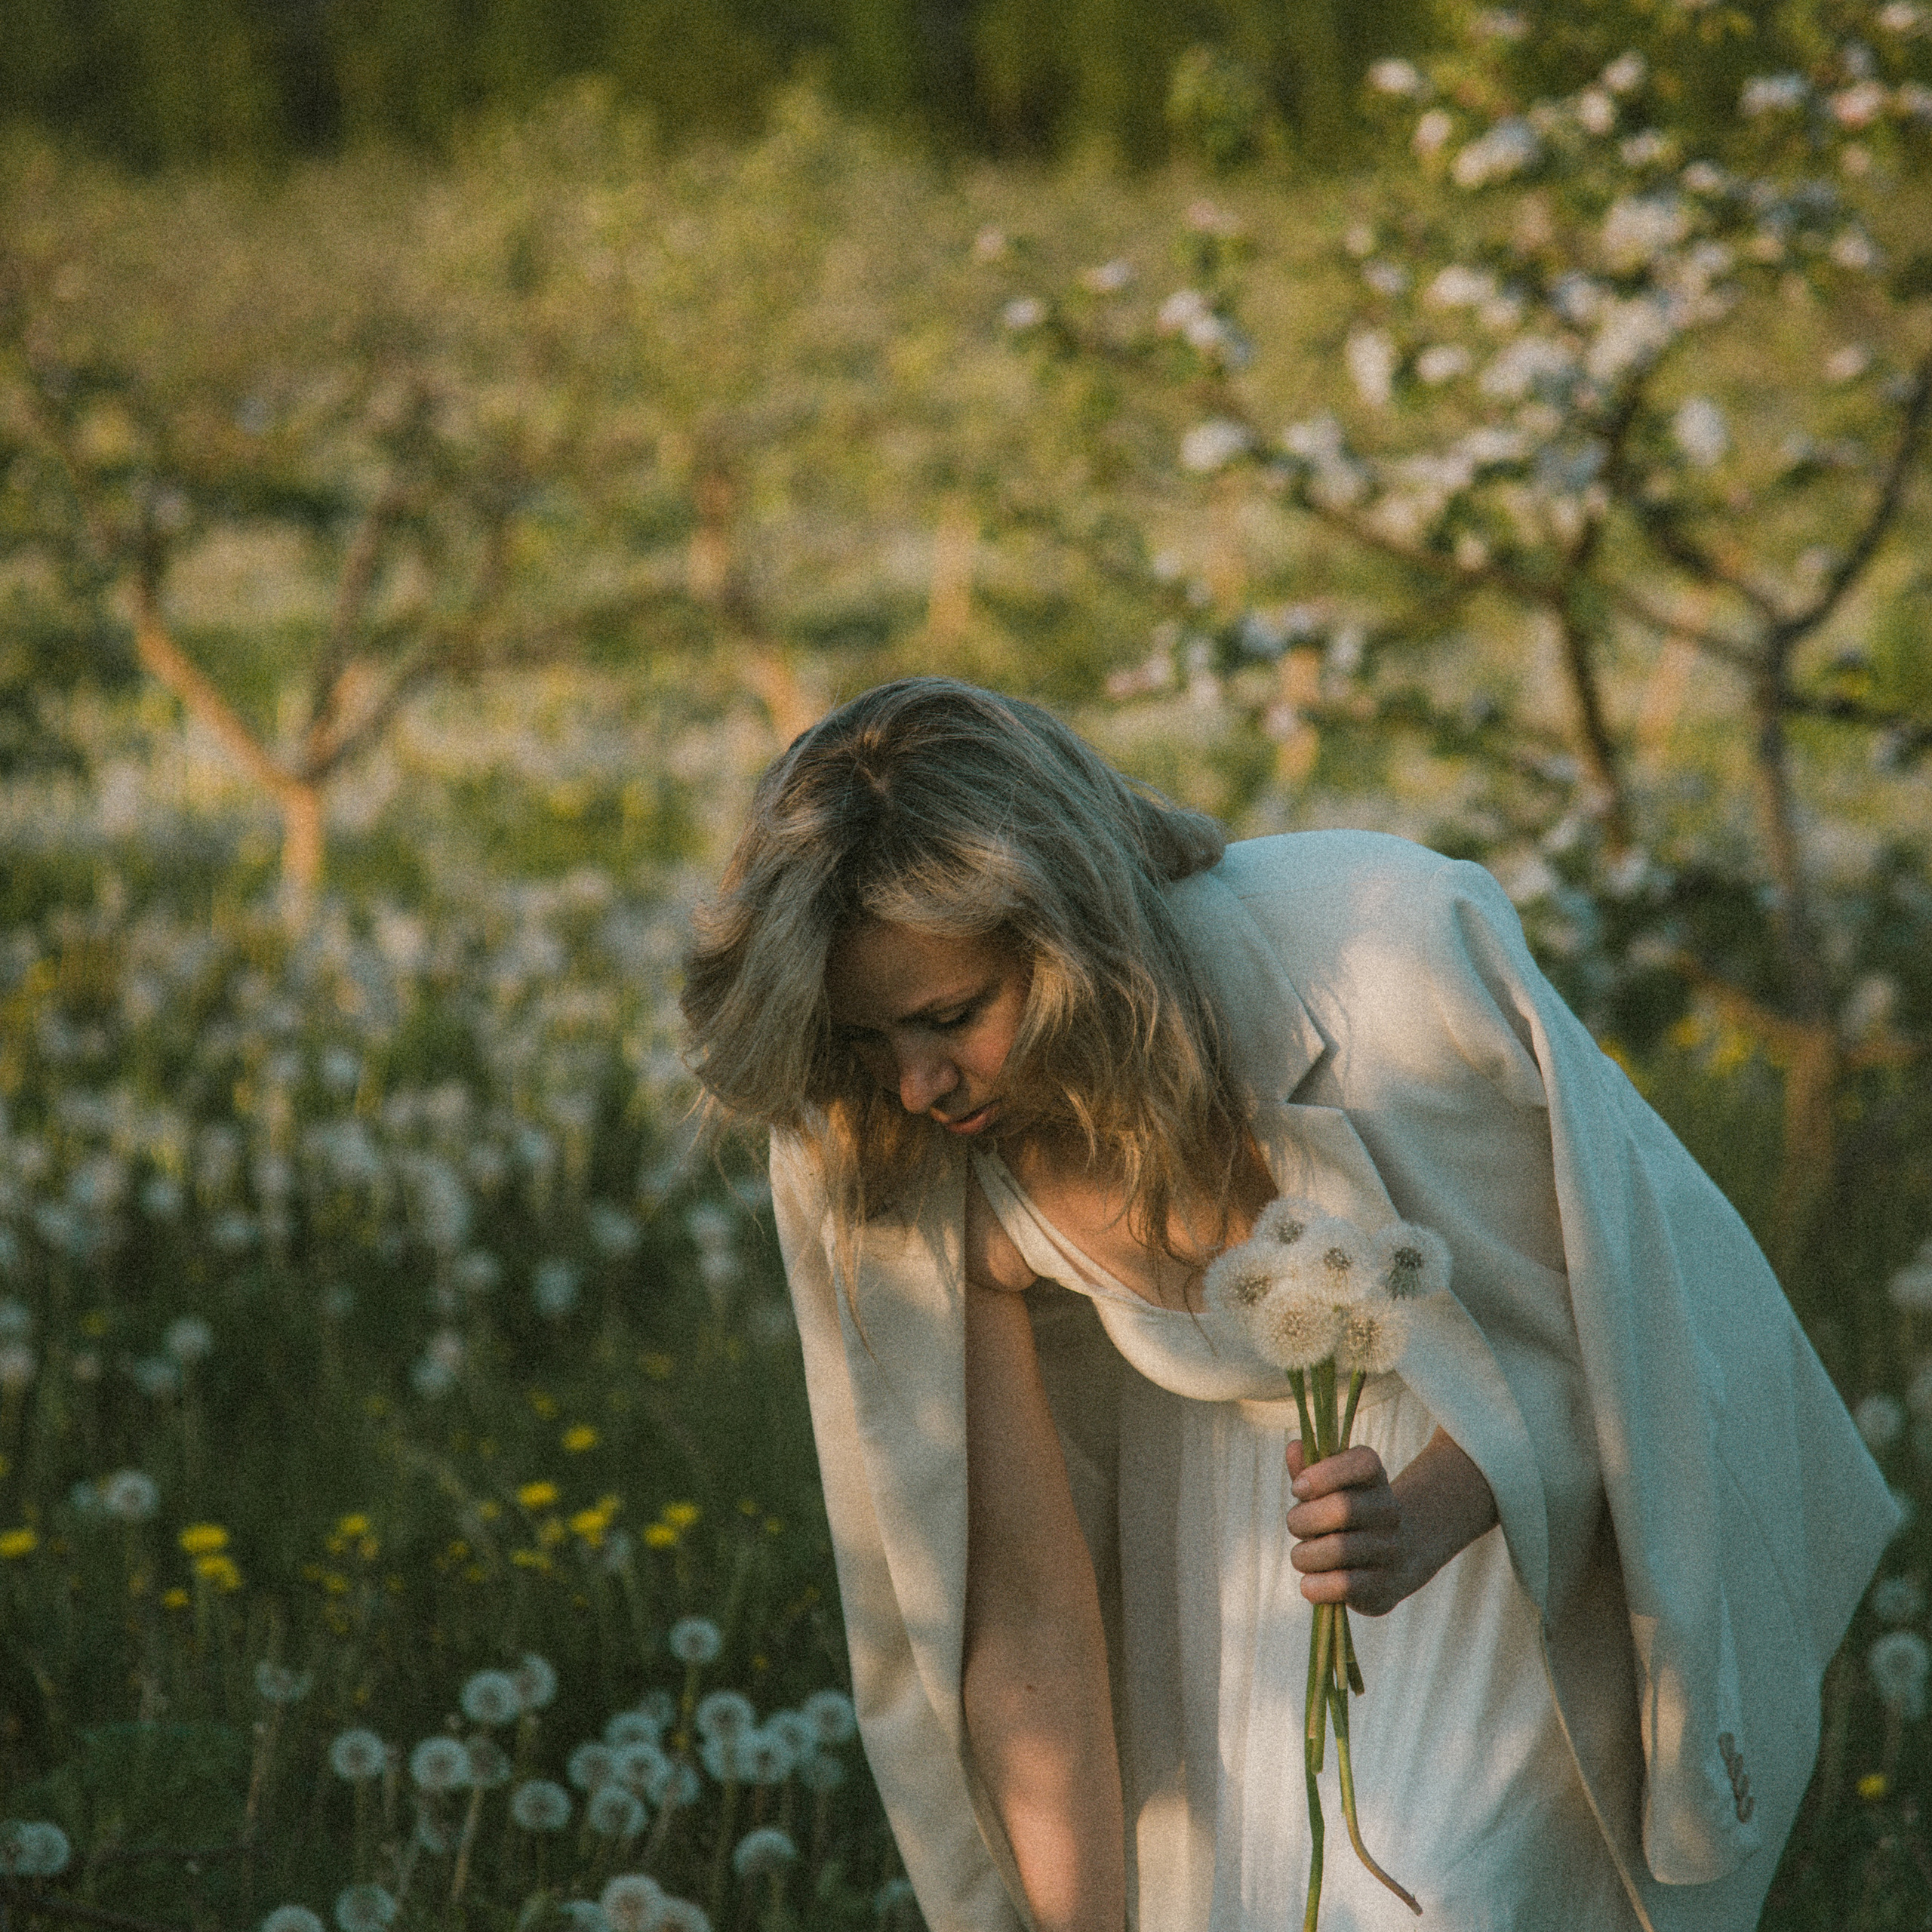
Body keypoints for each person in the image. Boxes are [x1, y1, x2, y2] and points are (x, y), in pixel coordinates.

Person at [681, 677, 1896, 1932]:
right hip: (1217, 1578)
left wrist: (1427, 1508)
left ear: (1073, 937)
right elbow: (1022, 1612)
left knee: (1445, 1897)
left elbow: (1638, 1324)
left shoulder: (1395, 958)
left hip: (1498, 1537)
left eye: (952, 1017)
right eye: (872, 1038)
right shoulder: (882, 1129)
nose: (919, 1080)